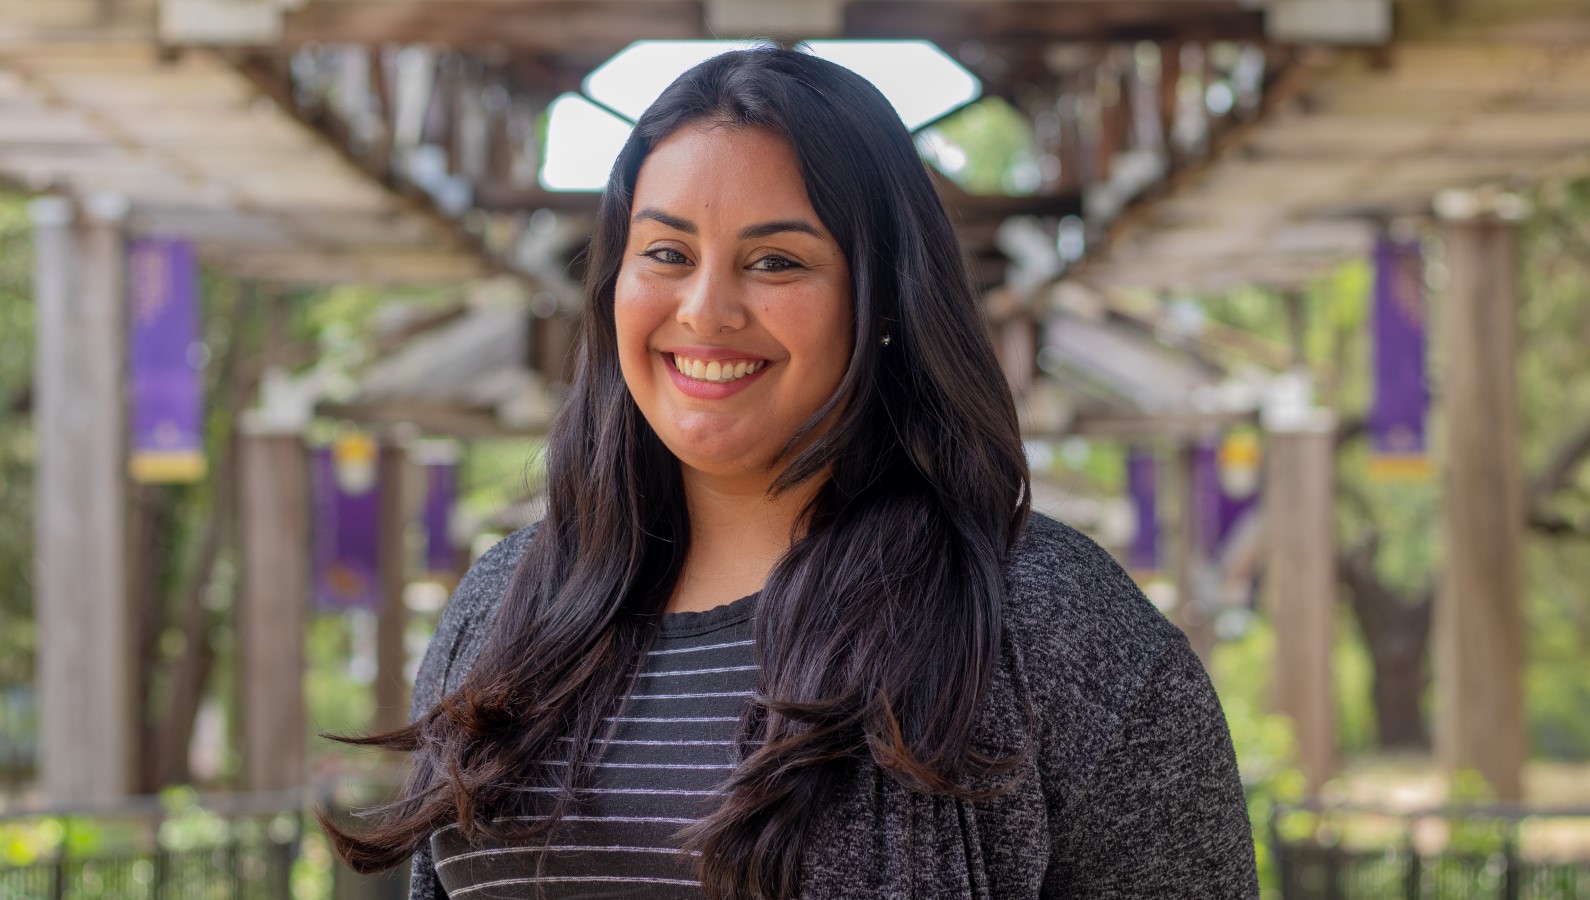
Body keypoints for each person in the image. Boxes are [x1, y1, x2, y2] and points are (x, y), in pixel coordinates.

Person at [323, 46, 1258, 899]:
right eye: (666, 254)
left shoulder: (1049, 623)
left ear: (884, 299)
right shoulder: (501, 613)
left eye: (775, 261)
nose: (707, 308)